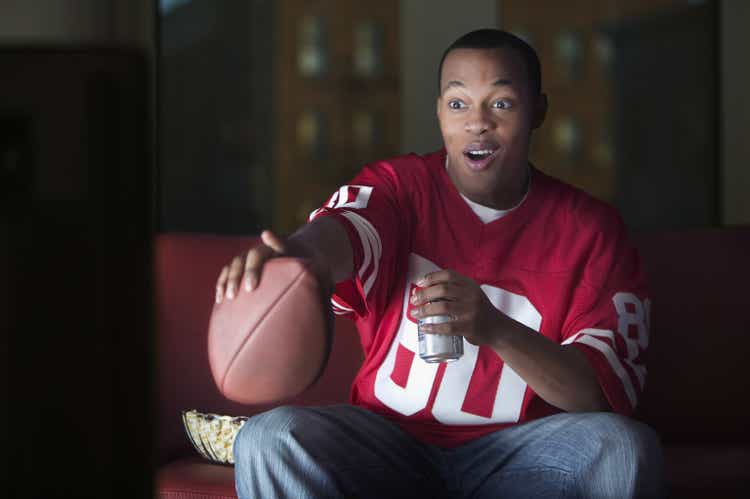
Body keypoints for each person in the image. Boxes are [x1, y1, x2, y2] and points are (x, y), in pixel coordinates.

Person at [217, 29, 664, 499]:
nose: (477, 123)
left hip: (521, 454)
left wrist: (495, 328)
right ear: (438, 112)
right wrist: (299, 255)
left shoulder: (591, 229)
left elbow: (599, 398)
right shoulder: (399, 186)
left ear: (539, 111)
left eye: (502, 103)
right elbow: (346, 230)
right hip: (388, 442)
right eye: (458, 105)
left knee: (623, 447)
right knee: (270, 438)